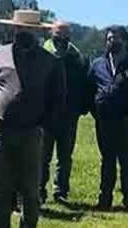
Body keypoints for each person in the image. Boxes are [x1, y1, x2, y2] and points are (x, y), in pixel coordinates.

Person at [0, 10, 66, 228]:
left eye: (29, 31)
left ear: (38, 32)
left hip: (31, 133)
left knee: (30, 192)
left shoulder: (50, 61)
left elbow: (58, 99)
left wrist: (45, 126)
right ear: (13, 30)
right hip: (0, 132)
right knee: (0, 192)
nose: (23, 34)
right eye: (20, 30)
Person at [88, 25, 128, 212]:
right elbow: (88, 89)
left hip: (126, 121)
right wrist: (96, 111)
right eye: (109, 39)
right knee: (107, 160)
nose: (112, 42)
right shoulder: (97, 64)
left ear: (125, 41)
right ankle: (104, 199)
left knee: (126, 161)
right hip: (103, 122)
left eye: (116, 38)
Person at [39, 21, 89, 204]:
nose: (61, 39)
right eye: (58, 34)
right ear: (51, 33)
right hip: (46, 116)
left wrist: (80, 108)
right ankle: (39, 190)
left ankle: (61, 192)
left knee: (65, 157)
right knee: (42, 157)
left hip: (69, 115)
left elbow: (84, 84)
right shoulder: (42, 55)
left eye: (65, 35)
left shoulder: (77, 58)